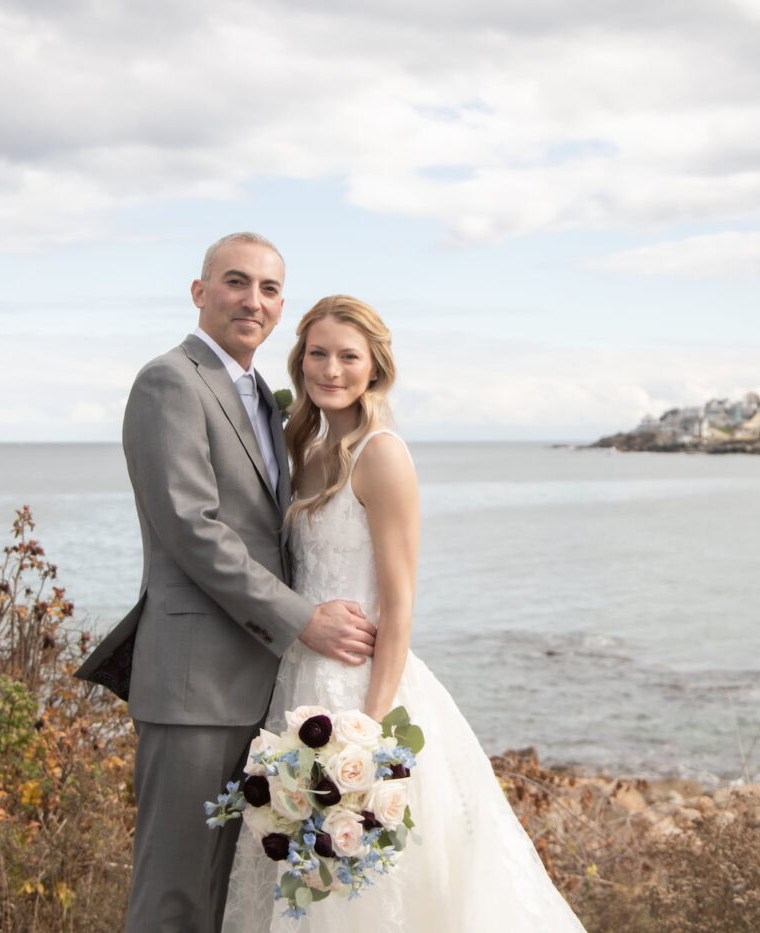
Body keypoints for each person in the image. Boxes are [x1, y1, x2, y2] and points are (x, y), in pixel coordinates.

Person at [220, 296, 586, 932]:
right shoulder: (299, 449)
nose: (330, 369)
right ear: (299, 359)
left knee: (363, 885)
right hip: (294, 684)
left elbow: (399, 603)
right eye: (317, 353)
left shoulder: (381, 455)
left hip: (361, 689)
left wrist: (367, 732)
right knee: (294, 875)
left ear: (375, 369)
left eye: (348, 356)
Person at [75, 233, 378, 933]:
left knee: (229, 890)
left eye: (269, 288)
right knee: (174, 892)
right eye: (236, 282)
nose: (253, 299)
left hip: (265, 687)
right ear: (200, 292)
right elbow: (192, 528)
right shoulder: (170, 381)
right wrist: (304, 617)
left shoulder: (265, 403)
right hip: (195, 685)